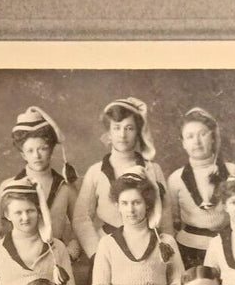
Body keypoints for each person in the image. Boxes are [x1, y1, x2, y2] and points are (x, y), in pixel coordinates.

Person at [72, 97, 174, 260]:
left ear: (138, 132)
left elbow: (166, 214)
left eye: (129, 128)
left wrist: (167, 246)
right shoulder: (96, 171)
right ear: (109, 133)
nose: (122, 135)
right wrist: (96, 253)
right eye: (116, 128)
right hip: (106, 247)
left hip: (146, 245)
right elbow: (81, 217)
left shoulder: (152, 169)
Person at [0, 106, 80, 257]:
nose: (37, 156)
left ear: (50, 149)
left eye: (42, 149)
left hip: (55, 260)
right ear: (23, 154)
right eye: (30, 151)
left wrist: (70, 254)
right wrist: (5, 257)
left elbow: (80, 227)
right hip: (19, 261)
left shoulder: (65, 188)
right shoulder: (8, 186)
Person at [166, 107, 235, 268]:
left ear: (213, 138)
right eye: (190, 136)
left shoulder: (232, 171)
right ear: (183, 143)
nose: (197, 141)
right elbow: (172, 220)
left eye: (203, 134)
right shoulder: (175, 179)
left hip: (229, 244)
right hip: (190, 248)